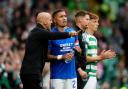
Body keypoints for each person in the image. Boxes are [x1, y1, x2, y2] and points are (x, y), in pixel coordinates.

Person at [20, 12, 78, 89]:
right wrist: (69, 34)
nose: (51, 22)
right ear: (44, 22)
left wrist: (61, 57)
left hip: (31, 72)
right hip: (31, 73)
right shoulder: (38, 31)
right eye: (50, 20)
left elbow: (46, 58)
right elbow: (53, 35)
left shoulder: (40, 35)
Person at [47, 9, 81, 89]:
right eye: (61, 16)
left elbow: (78, 49)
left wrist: (78, 51)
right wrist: (61, 57)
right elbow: (46, 56)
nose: (64, 18)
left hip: (72, 75)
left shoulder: (73, 32)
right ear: (54, 20)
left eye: (65, 16)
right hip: (57, 76)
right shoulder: (50, 35)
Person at [82, 13, 116, 89]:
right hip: (86, 75)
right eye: (95, 21)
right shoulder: (84, 37)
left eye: (98, 22)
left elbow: (93, 59)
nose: (98, 24)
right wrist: (101, 56)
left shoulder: (94, 38)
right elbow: (83, 58)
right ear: (88, 23)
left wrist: (102, 57)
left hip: (93, 75)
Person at [74, 10, 91, 89]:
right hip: (76, 73)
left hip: (80, 72)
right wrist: (79, 69)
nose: (89, 21)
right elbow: (73, 54)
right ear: (80, 20)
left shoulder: (81, 34)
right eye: (87, 19)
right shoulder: (75, 33)